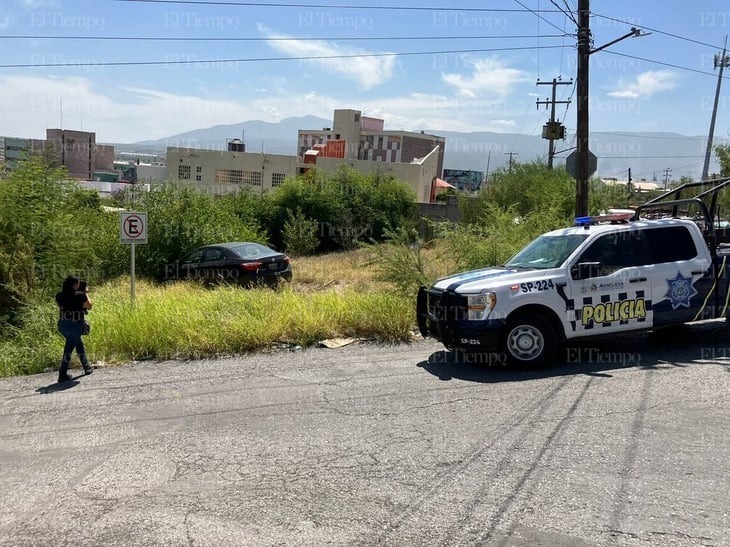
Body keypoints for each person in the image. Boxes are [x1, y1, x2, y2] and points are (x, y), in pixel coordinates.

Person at [55, 275, 93, 382]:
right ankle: (62, 375)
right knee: (68, 350)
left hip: (62, 324)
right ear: (74, 285)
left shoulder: (59, 295)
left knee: (78, 344)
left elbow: (60, 306)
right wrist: (86, 293)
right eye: (78, 283)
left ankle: (87, 367)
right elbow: (89, 306)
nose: (79, 285)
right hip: (75, 325)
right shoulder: (81, 295)